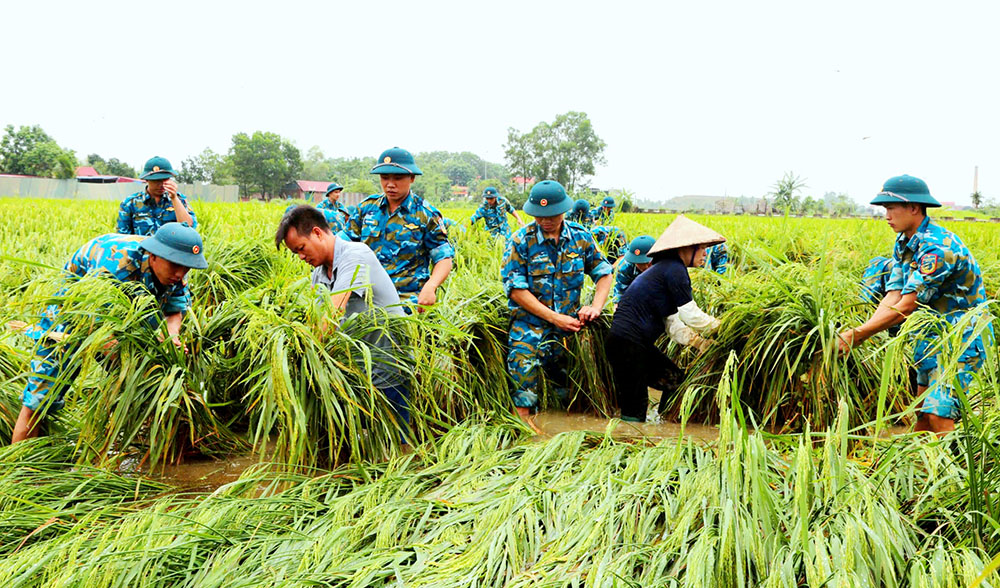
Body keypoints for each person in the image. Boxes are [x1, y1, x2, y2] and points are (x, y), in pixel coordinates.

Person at [11, 222, 207, 443]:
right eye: (175, 266)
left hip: (128, 313)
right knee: (40, 401)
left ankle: (137, 437)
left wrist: (171, 337)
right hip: (71, 314)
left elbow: (174, 310)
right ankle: (17, 470)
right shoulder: (117, 264)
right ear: (153, 256)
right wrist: (131, 364)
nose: (181, 274)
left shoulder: (176, 269)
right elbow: (94, 323)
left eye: (187, 268)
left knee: (147, 380)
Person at [836, 174, 990, 434]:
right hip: (930, 334)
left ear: (914, 208)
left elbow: (907, 306)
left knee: (938, 412)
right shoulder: (904, 242)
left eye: (891, 208)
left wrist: (858, 335)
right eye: (885, 209)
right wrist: (863, 331)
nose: (886, 215)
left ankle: (952, 473)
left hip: (961, 337)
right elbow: (893, 295)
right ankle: (918, 468)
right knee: (921, 410)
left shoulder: (937, 248)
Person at [275, 205, 410, 431]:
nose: (300, 257)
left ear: (317, 233)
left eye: (301, 248)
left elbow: (331, 316)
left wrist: (302, 356)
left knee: (396, 443)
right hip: (357, 369)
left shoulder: (355, 256)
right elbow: (314, 318)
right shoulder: (319, 272)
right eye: (295, 253)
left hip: (387, 365)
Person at [501, 180, 613, 429]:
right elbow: (517, 291)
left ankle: (560, 438)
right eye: (539, 216)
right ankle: (523, 436)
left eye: (551, 215)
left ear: (563, 210)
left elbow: (604, 273)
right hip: (528, 327)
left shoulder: (581, 238)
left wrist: (595, 307)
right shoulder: (521, 240)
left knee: (565, 389)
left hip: (568, 328)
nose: (545, 220)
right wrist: (553, 317)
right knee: (523, 385)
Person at [607, 215, 724, 422]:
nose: (706, 254)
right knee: (635, 404)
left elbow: (672, 324)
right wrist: (723, 328)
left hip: (631, 342)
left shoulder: (664, 270)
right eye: (703, 248)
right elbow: (690, 314)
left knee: (675, 381)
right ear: (687, 248)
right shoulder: (674, 269)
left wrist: (699, 343)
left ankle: (665, 424)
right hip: (627, 343)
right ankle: (626, 443)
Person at [341, 147, 455, 310]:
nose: (390, 184)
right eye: (385, 178)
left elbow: (443, 258)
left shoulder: (425, 214)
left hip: (406, 302)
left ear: (412, 178)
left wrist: (431, 287)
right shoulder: (366, 209)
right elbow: (340, 245)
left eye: (398, 178)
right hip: (366, 300)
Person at [117, 156, 197, 236]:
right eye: (156, 181)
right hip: (140, 247)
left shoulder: (180, 200)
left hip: (169, 248)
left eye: (165, 180)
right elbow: (122, 236)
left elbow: (189, 228)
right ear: (146, 180)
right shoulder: (130, 203)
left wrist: (174, 198)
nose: (161, 185)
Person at [613, 235, 655, 304]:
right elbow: (620, 294)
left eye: (648, 263)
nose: (645, 267)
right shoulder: (624, 267)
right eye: (639, 263)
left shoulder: (665, 264)